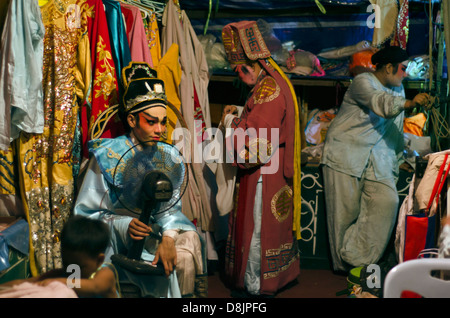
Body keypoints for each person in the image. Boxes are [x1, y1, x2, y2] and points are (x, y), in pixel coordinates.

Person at [74, 61, 206, 298]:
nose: (160, 130)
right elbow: (86, 215)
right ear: (132, 121)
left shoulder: (167, 157)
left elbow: (171, 210)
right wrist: (124, 226)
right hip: (120, 241)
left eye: (164, 122)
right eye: (151, 121)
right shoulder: (108, 156)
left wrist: (167, 237)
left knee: (189, 242)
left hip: (156, 234)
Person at [320, 46, 430, 273]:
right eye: (402, 69)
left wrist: (398, 157)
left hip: (377, 156)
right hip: (345, 154)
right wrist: (410, 104)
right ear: (388, 67)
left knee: (386, 202)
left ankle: (359, 259)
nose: (404, 74)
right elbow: (381, 103)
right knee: (344, 215)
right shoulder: (363, 82)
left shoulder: (397, 89)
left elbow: (395, 127)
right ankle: (345, 269)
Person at [220, 21, 302, 297]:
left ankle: (255, 284)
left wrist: (231, 122)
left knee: (258, 228)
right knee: (266, 226)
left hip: (263, 174)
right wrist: (243, 110)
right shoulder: (273, 81)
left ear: (251, 64)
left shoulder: (268, 90)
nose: (239, 76)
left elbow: (255, 146)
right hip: (274, 169)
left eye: (239, 70)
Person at [0, 215, 118, 298]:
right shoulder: (64, 274)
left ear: (99, 260)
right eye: (66, 264)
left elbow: (94, 287)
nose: (72, 270)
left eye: (79, 267)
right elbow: (28, 282)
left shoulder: (104, 275)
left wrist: (56, 281)